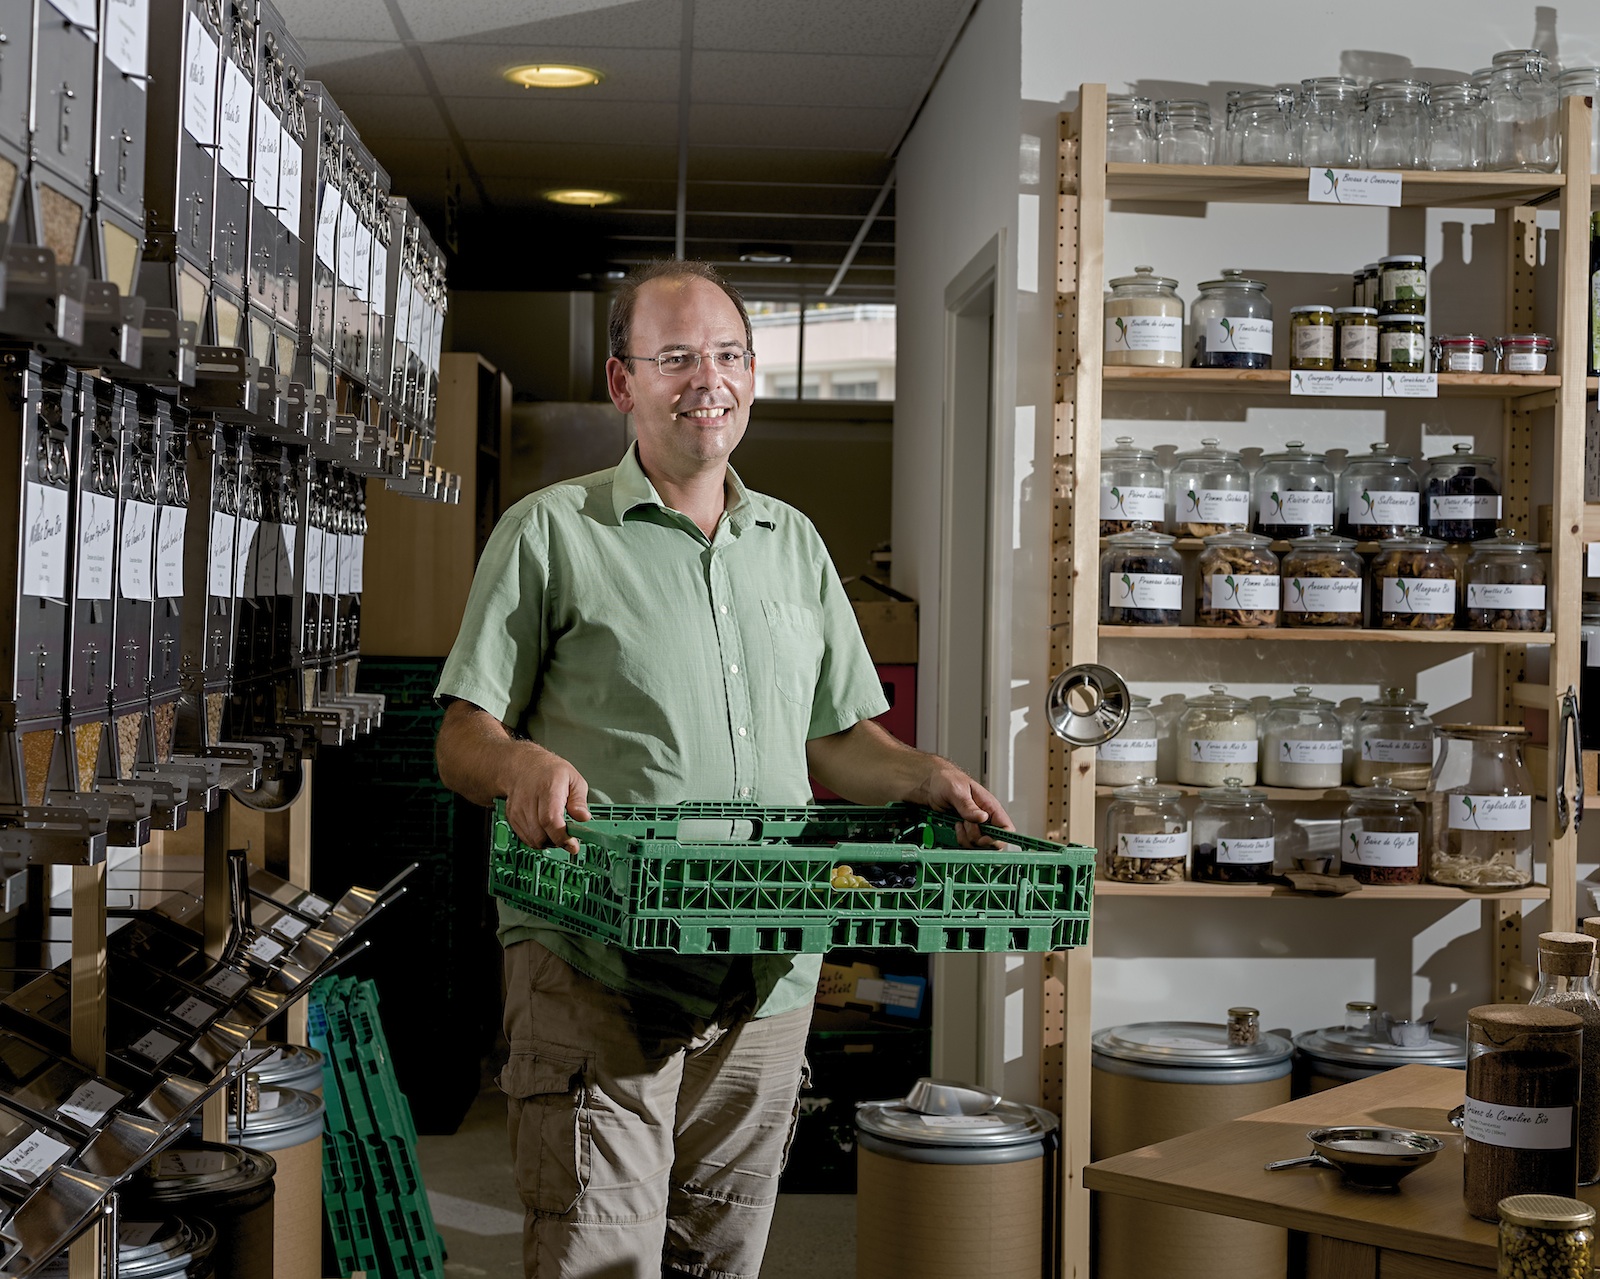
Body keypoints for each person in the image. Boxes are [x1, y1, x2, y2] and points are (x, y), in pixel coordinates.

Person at [434, 259, 1011, 1279]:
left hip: (767, 976)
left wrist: (921, 774)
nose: (710, 379)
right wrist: (519, 760)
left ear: (753, 375)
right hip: (597, 963)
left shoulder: (792, 543)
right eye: (677, 357)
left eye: (730, 355)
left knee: (720, 1259)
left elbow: (835, 739)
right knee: (598, 1259)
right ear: (624, 383)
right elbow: (460, 736)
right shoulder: (552, 531)